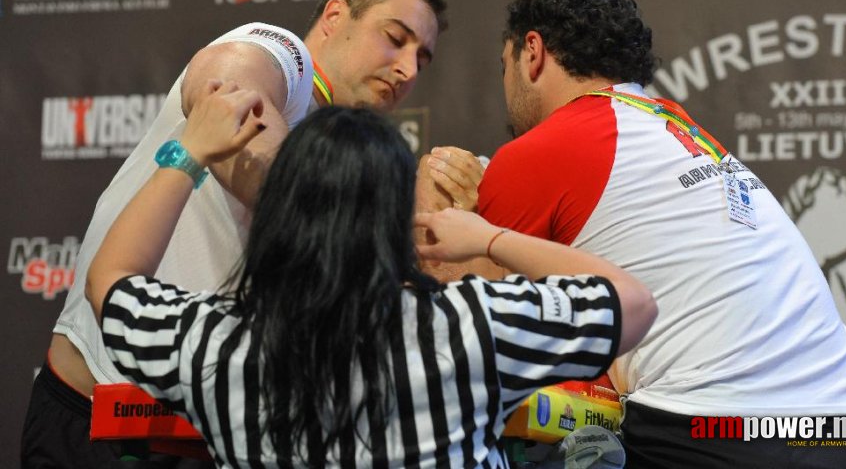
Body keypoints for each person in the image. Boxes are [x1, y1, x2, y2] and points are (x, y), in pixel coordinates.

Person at [422, 0, 846, 467]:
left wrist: (437, 179)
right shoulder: (672, 125)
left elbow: (466, 327)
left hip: (727, 435)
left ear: (533, 54)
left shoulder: (546, 148)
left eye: (505, 68)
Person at [82, 86, 658, 467]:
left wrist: (189, 151)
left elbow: (110, 280)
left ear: (277, 210)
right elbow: (632, 302)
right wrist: (487, 238)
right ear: (393, 223)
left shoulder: (212, 342)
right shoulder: (466, 326)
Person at [22, 0, 448, 469]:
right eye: (394, 38)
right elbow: (224, 90)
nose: (407, 69)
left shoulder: (355, 160)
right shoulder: (282, 57)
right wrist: (342, 217)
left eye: (422, 58)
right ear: (336, 15)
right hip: (97, 426)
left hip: (219, 441)